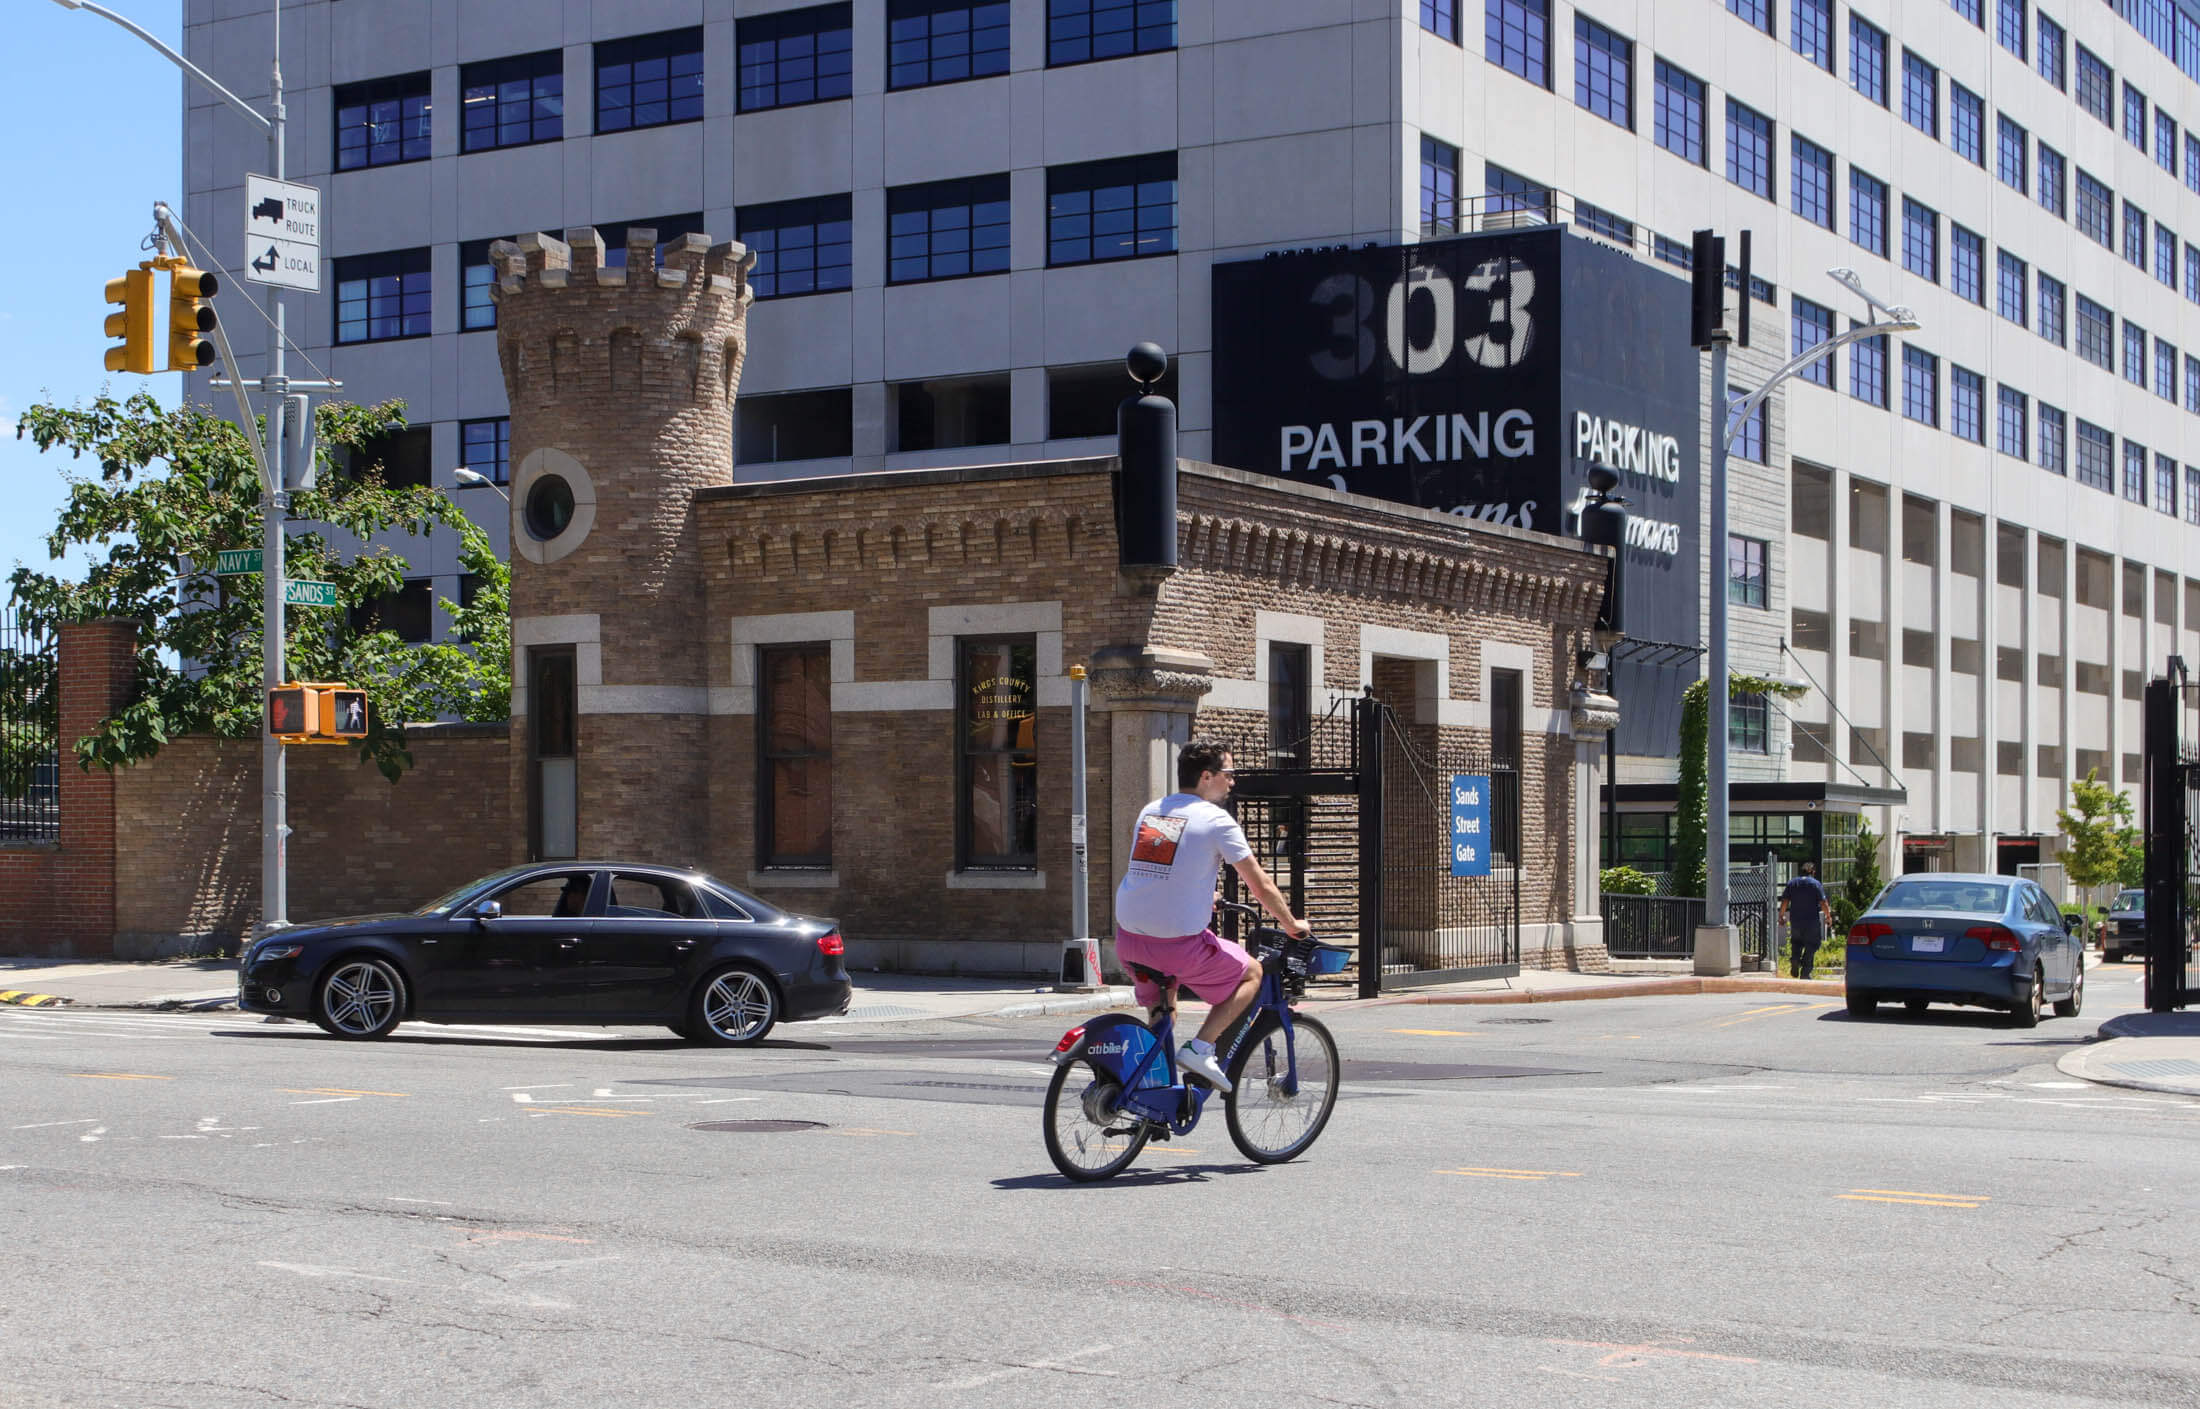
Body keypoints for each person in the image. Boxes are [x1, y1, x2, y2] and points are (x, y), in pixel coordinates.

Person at [1112, 738, 1309, 1093]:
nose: (1232, 781)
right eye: (1228, 773)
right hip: (1178, 945)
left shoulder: (1153, 811)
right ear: (1207, 776)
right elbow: (1260, 884)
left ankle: (1153, 1094)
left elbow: (1162, 871)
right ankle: (1200, 1048)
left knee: (1162, 1011)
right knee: (1252, 972)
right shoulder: (1216, 820)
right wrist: (1291, 924)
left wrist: (1208, 896)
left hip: (1130, 940)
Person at [1779, 860, 1836, 979]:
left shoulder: (1792, 883)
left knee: (1796, 943)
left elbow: (1785, 901)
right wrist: (1828, 916)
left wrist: (1782, 915)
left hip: (1795, 921)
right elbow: (1823, 902)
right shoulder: (1815, 884)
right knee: (1813, 945)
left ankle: (1795, 959)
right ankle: (1805, 972)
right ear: (1812, 872)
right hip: (1811, 922)